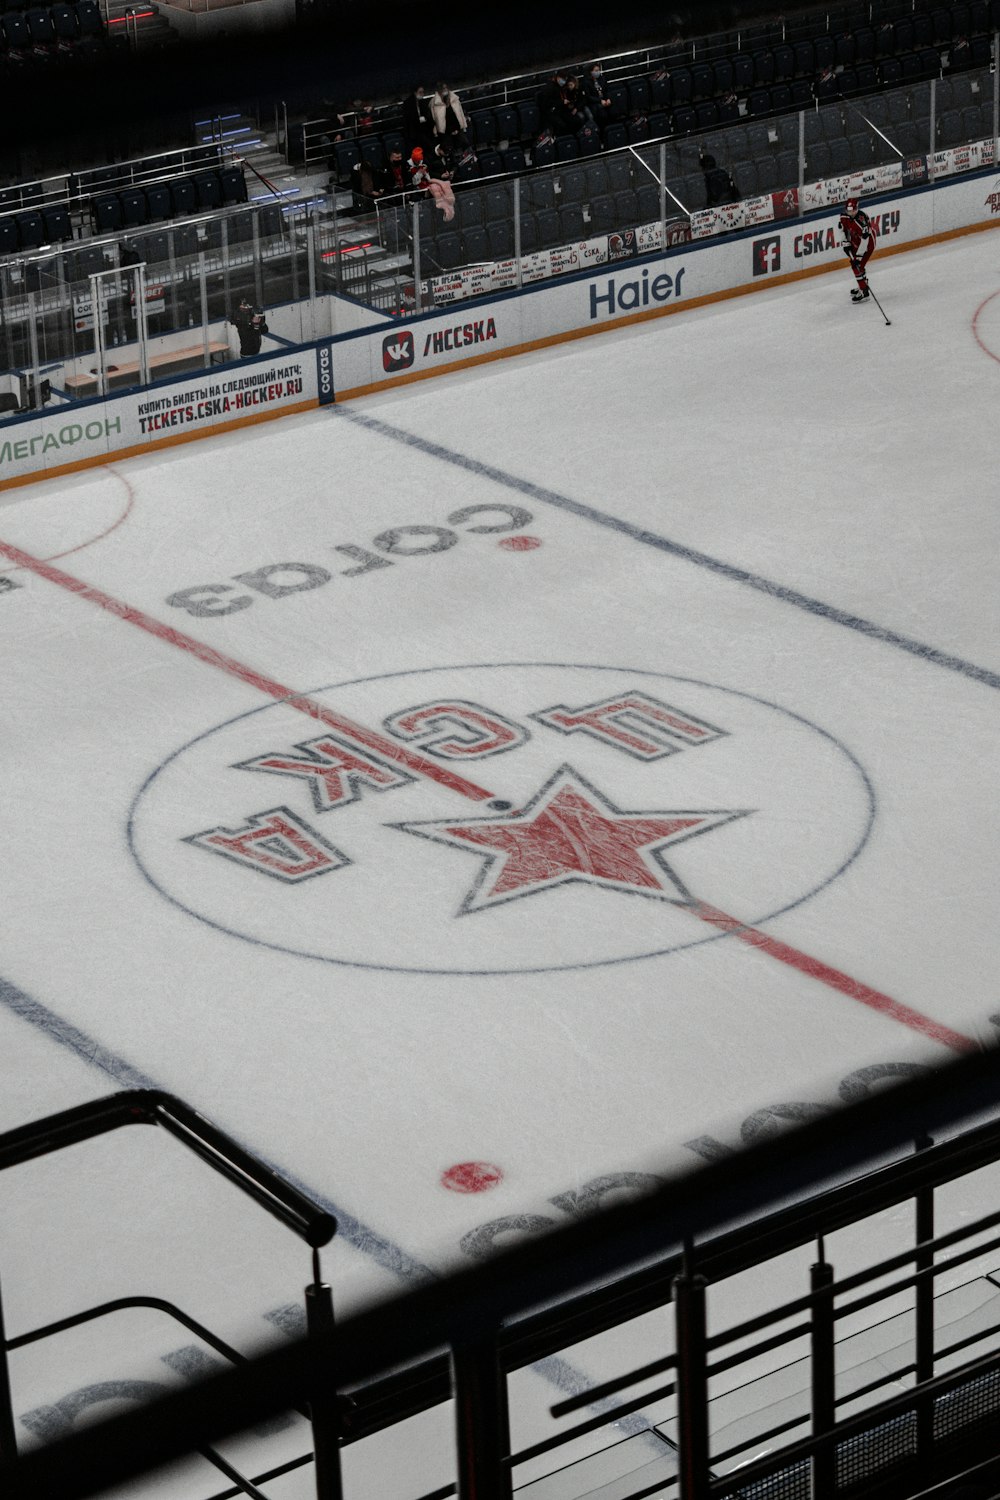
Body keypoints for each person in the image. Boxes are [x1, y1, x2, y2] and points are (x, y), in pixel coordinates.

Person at [839, 196, 877, 301]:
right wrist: (845, 243)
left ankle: (864, 292)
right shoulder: (844, 216)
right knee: (855, 265)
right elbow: (842, 229)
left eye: (853, 211)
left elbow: (865, 240)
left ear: (857, 208)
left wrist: (859, 257)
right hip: (855, 241)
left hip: (867, 245)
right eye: (848, 211)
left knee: (857, 266)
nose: (850, 213)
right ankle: (863, 285)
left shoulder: (862, 221)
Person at [431, 83, 470, 163]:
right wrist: (449, 131)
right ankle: (453, 167)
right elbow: (436, 121)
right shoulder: (434, 103)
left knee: (466, 143)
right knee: (449, 149)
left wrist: (461, 127)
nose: (445, 89)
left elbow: (460, 114)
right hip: (445, 132)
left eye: (446, 87)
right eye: (443, 88)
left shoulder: (454, 99)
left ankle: (468, 162)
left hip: (457, 128)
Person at [403, 85, 436, 157]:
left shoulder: (423, 102)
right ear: (415, 92)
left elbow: (428, 115)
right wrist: (418, 120)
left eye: (423, 92)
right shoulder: (408, 103)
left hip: (425, 129)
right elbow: (408, 120)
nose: (422, 94)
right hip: (415, 132)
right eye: (420, 92)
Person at [582, 62, 614, 131]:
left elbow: (606, 90)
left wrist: (608, 98)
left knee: (613, 109)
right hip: (594, 102)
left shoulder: (602, 78)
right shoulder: (586, 82)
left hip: (604, 100)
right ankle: (604, 130)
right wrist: (599, 101)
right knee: (602, 114)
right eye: (596, 71)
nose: (598, 72)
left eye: (598, 70)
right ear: (591, 72)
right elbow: (588, 97)